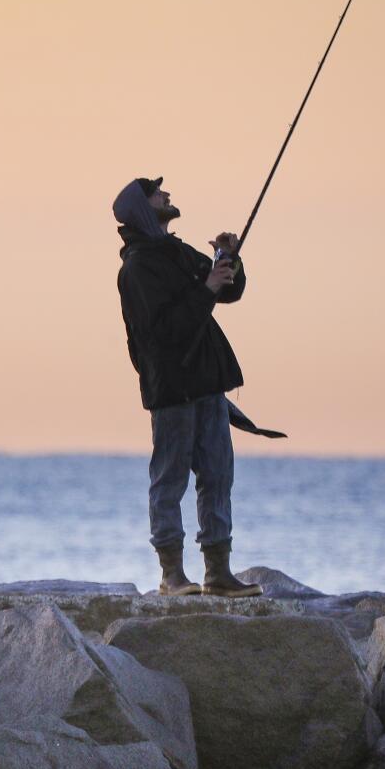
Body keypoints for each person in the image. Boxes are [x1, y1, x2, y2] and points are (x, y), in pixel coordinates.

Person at [113, 176, 262, 598]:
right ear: (143, 210)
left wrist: (227, 260)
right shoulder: (137, 269)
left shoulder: (174, 251)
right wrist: (208, 288)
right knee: (170, 479)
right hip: (172, 389)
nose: (167, 195)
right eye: (157, 194)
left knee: (217, 475)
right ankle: (172, 576)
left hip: (207, 384)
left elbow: (225, 291)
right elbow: (162, 334)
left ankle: (218, 574)